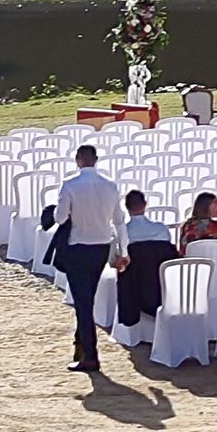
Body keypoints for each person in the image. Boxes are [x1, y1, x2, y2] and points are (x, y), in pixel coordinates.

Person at [55, 144, 127, 374]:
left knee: (83, 303)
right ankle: (81, 345)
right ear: (96, 160)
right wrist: (124, 251)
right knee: (87, 299)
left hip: (78, 247)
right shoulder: (110, 185)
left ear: (78, 160)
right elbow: (119, 221)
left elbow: (60, 217)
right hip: (101, 248)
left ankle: (90, 355)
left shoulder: (70, 185)